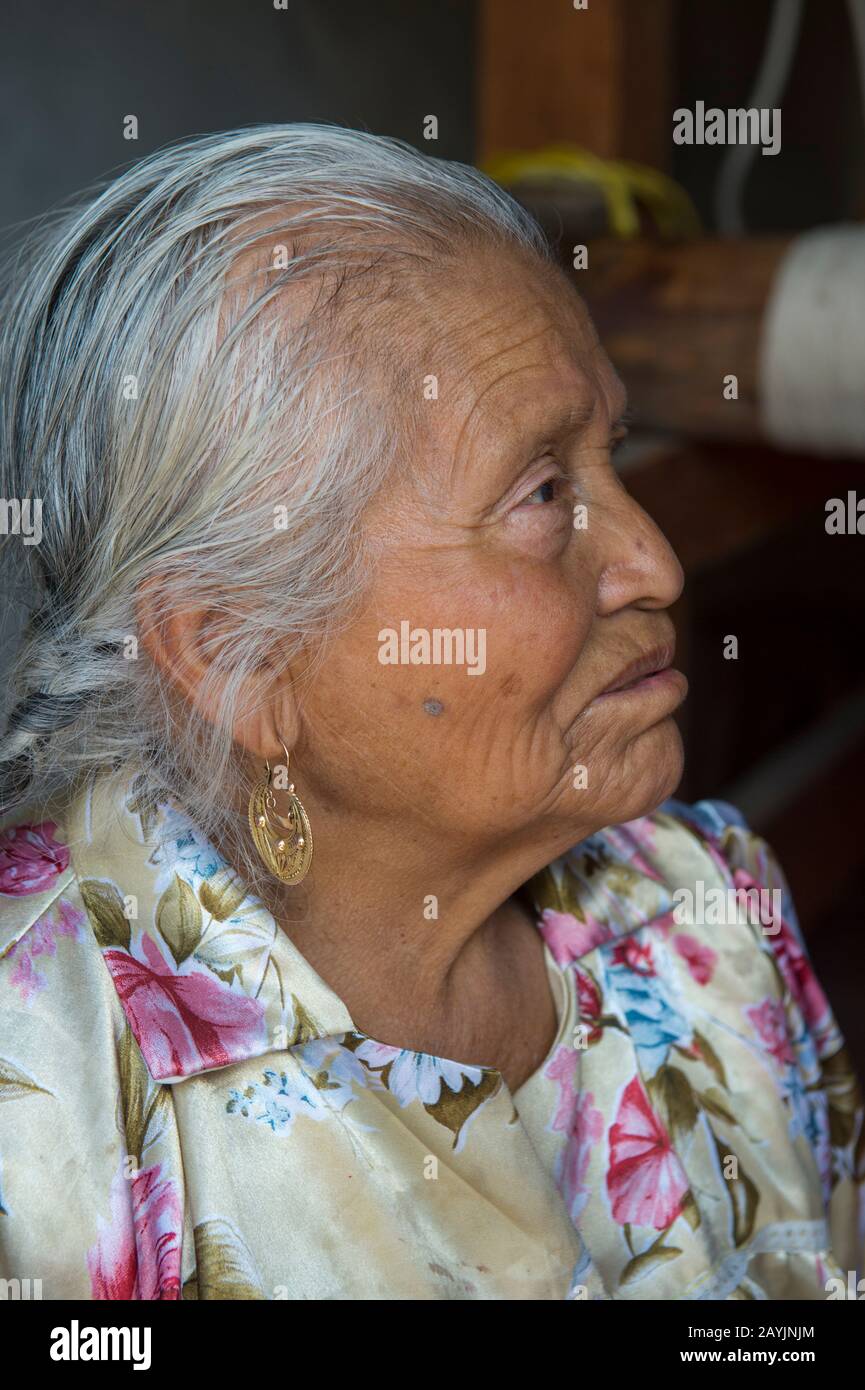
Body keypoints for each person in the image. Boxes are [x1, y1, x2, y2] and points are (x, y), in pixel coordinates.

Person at [0, 125, 861, 1300]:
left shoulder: (700, 898)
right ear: (241, 659)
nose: (653, 563)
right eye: (543, 492)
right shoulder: (39, 1112)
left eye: (608, 456)